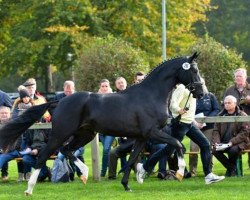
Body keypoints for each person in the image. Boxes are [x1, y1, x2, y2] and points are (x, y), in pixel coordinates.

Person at [136, 84, 225, 184]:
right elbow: (172, 104)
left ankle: (208, 175)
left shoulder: (192, 89)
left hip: (189, 124)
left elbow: (191, 109)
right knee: (168, 150)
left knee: (205, 144)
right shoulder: (181, 88)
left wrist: (193, 121)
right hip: (180, 124)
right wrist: (179, 110)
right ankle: (143, 167)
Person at [212, 95, 250, 177]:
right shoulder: (220, 115)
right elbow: (216, 131)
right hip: (223, 142)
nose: (226, 104)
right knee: (214, 150)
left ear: (235, 104)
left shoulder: (242, 115)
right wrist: (217, 142)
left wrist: (231, 142)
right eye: (225, 103)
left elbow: (245, 132)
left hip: (239, 142)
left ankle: (230, 170)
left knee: (232, 150)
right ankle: (232, 168)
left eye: (229, 103)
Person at [189, 78, 220, 176]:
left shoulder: (210, 96)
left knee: (208, 148)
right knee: (193, 149)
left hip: (209, 127)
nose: (200, 85)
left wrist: (207, 119)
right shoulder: (191, 96)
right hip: (194, 127)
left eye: (202, 83)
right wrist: (195, 122)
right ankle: (192, 171)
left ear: (204, 84)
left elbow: (216, 109)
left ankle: (209, 170)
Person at [54, 80, 85, 178]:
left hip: (78, 129)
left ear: (74, 89)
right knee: (67, 153)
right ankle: (70, 174)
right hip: (64, 129)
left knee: (76, 152)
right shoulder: (58, 98)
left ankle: (81, 173)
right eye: (66, 91)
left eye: (70, 91)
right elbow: (53, 110)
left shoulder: (79, 98)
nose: (68, 93)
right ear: (63, 89)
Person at [223, 68, 250, 168]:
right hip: (234, 125)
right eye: (236, 76)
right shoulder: (229, 90)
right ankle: (233, 168)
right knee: (235, 145)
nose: (238, 78)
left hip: (249, 123)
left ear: (245, 77)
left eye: (240, 76)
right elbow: (223, 106)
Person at [98, 79, 114, 177]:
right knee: (107, 150)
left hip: (111, 128)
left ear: (109, 87)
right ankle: (109, 170)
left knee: (106, 149)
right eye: (103, 86)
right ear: (100, 87)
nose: (104, 88)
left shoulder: (113, 97)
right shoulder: (96, 97)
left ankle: (103, 172)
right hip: (100, 129)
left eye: (106, 86)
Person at [0, 106, 11, 181]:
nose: (4, 114)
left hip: (10, 148)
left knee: (3, 154)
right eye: (2, 113)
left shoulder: (14, 124)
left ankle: (4, 174)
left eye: (6, 113)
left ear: (9, 114)